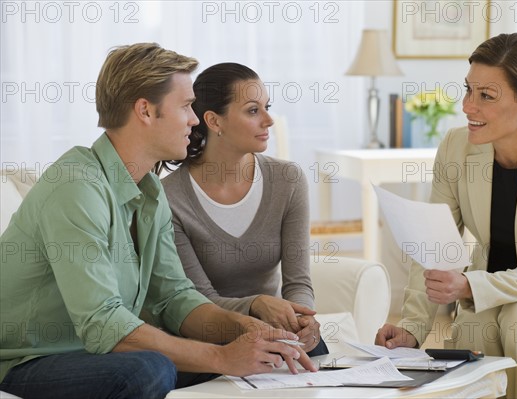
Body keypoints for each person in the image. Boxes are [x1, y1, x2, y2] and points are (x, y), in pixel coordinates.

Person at [0, 43, 316, 399]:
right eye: (185, 107)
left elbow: (174, 298)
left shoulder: (150, 192)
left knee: (283, 352)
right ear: (146, 111)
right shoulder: (76, 185)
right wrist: (222, 356)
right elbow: (104, 324)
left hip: (99, 356)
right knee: (150, 368)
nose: (195, 120)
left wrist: (246, 329)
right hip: (29, 361)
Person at [375, 33, 517, 398]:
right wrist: (413, 327)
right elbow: (431, 245)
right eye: (468, 91)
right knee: (475, 323)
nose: (467, 106)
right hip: (495, 286)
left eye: (486, 96)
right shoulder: (456, 146)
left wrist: (468, 286)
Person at [160, 62, 328, 356]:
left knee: (317, 359)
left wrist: (304, 318)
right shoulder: (170, 198)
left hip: (277, 331)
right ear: (214, 121)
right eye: (253, 110)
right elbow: (198, 299)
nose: (269, 120)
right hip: (210, 335)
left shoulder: (288, 180)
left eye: (267, 107)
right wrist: (255, 304)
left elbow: (298, 282)